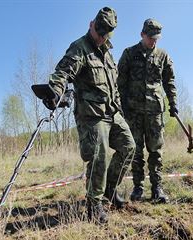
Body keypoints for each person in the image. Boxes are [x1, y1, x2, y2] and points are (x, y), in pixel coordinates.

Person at [46, 7, 135, 223]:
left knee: (129, 147)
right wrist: (55, 91)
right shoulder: (80, 48)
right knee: (100, 156)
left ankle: (110, 192)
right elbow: (63, 73)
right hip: (92, 116)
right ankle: (94, 205)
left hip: (113, 113)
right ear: (91, 24)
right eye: (99, 32)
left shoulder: (107, 52)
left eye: (105, 35)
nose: (101, 37)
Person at [117, 18, 178, 203]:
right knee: (136, 151)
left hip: (154, 112)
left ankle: (157, 188)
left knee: (156, 151)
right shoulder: (129, 53)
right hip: (133, 112)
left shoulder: (163, 56)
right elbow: (120, 82)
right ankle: (138, 188)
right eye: (151, 37)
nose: (154, 41)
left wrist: (173, 102)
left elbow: (170, 81)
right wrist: (122, 106)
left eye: (156, 38)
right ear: (142, 34)